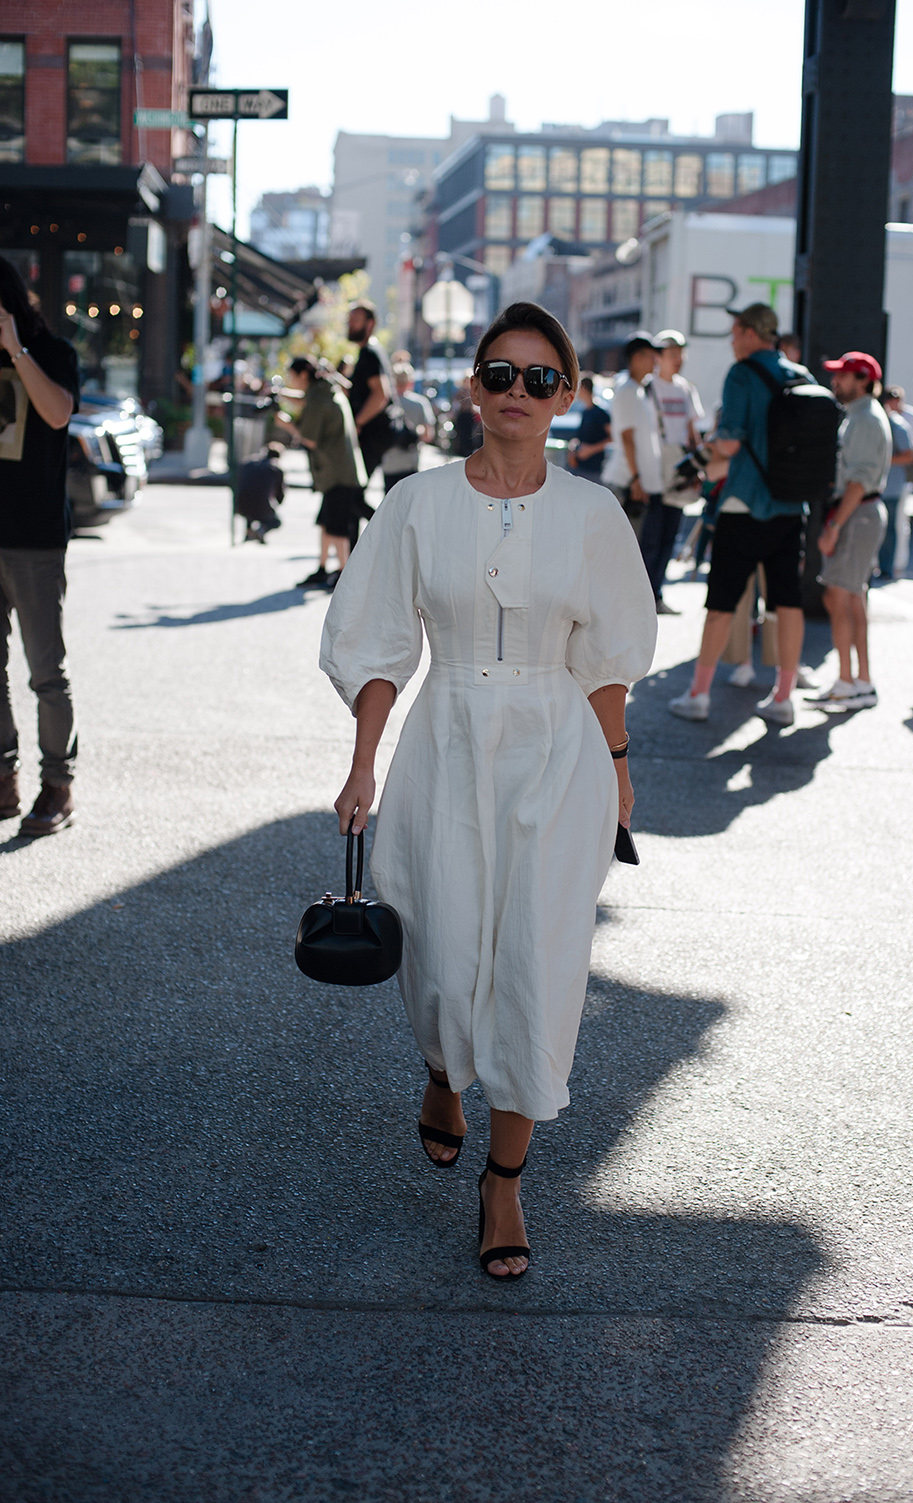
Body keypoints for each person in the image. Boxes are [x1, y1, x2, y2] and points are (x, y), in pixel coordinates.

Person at [319, 301, 656, 1281]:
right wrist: (362, 763)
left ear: (569, 396)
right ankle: (440, 1074)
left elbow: (607, 658)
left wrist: (621, 765)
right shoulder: (417, 504)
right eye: (499, 375)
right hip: (448, 742)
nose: (517, 393)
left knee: (541, 965)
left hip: (560, 752)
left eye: (540, 378)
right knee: (439, 950)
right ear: (471, 387)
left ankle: (504, 1180)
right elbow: (381, 636)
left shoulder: (593, 514)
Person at [669, 303, 812, 726]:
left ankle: (698, 695)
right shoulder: (800, 375)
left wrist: (696, 464)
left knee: (722, 605)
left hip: (743, 504)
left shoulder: (743, 374)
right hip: (790, 506)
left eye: (735, 331)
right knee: (787, 604)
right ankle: (783, 697)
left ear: (752, 333)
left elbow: (729, 443)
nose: (731, 339)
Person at [0, 256, 80, 837]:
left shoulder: (54, 355)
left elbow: (55, 414)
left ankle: (59, 786)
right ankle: (4, 776)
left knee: (45, 670)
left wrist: (14, 350)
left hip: (34, 541)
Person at [807, 352, 892, 710]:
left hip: (856, 513)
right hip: (862, 512)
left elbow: (857, 481)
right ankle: (860, 681)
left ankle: (847, 682)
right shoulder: (862, 416)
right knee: (853, 597)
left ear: (862, 380)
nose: (835, 381)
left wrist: (834, 526)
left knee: (837, 596)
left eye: (843, 375)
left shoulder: (864, 420)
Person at [279, 357, 367, 591]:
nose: (291, 381)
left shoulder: (319, 399)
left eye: (292, 377)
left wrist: (286, 424)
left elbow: (309, 438)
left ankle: (343, 574)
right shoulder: (325, 391)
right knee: (326, 522)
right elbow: (305, 400)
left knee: (336, 526)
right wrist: (280, 394)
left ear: (303, 375)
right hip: (340, 469)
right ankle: (322, 569)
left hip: (336, 472)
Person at [602, 334, 664, 612]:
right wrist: (637, 478)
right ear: (637, 358)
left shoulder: (638, 390)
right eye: (652, 356)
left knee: (633, 550)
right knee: (624, 551)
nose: (655, 361)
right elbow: (626, 438)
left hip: (635, 482)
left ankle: (622, 606)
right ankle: (617, 608)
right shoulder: (628, 390)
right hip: (628, 484)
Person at [647, 329, 705, 613]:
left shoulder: (685, 389)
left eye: (681, 354)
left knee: (670, 537)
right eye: (672, 354)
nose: (678, 359)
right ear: (658, 356)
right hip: (653, 473)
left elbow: (693, 432)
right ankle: (643, 597)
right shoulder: (648, 387)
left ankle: (656, 594)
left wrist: (698, 467)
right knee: (650, 539)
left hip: (678, 472)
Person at [345, 300, 393, 483]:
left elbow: (381, 394)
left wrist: (357, 423)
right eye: (349, 320)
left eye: (355, 319)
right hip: (374, 434)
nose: (350, 324)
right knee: (351, 498)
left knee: (351, 494)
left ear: (370, 323)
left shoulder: (370, 353)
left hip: (372, 434)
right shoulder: (370, 351)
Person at [877, 388, 913, 580]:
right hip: (873, 486)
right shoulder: (876, 421)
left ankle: (887, 568)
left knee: (889, 530)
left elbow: (910, 455)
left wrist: (884, 459)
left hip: (891, 487)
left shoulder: (899, 426)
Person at [381, 362, 435, 493]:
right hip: (410, 463)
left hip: (389, 462)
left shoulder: (385, 403)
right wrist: (417, 433)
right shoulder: (420, 403)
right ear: (410, 381)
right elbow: (429, 436)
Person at [235, 442, 284, 544]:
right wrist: (278, 501)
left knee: (250, 505)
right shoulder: (275, 468)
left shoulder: (249, 464)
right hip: (261, 505)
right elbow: (280, 493)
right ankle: (261, 530)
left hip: (240, 503)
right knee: (276, 522)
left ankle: (249, 533)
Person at [571, 374, 611, 482]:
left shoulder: (600, 413)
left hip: (594, 470)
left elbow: (612, 438)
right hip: (580, 467)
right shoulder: (585, 412)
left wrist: (591, 450)